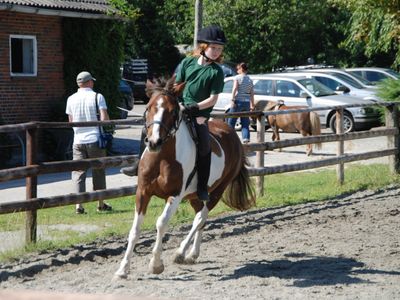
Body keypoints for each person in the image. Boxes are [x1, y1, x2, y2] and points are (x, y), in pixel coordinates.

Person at [121, 25, 226, 204]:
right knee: (150, 127)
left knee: (204, 146)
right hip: (179, 108)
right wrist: (171, 99)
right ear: (203, 47)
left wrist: (195, 107)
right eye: (213, 47)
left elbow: (213, 99)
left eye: (219, 49)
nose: (216, 52)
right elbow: (176, 86)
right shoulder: (187, 63)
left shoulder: (216, 72)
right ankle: (138, 164)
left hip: (199, 114)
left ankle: (201, 186)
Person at [65, 71, 113, 214]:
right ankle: (100, 203)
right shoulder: (98, 96)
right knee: (98, 170)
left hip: (78, 140)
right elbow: (104, 119)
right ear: (89, 82)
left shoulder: (71, 98)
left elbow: (71, 122)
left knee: (78, 172)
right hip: (95, 139)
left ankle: (78, 206)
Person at [228, 62, 255, 144]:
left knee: (231, 122)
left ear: (242, 69)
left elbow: (235, 89)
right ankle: (245, 139)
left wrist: (232, 100)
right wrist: (252, 105)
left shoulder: (237, 78)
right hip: (246, 103)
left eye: (238, 69)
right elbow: (252, 93)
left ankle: (230, 139)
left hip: (238, 101)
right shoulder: (250, 79)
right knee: (245, 123)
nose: (237, 71)